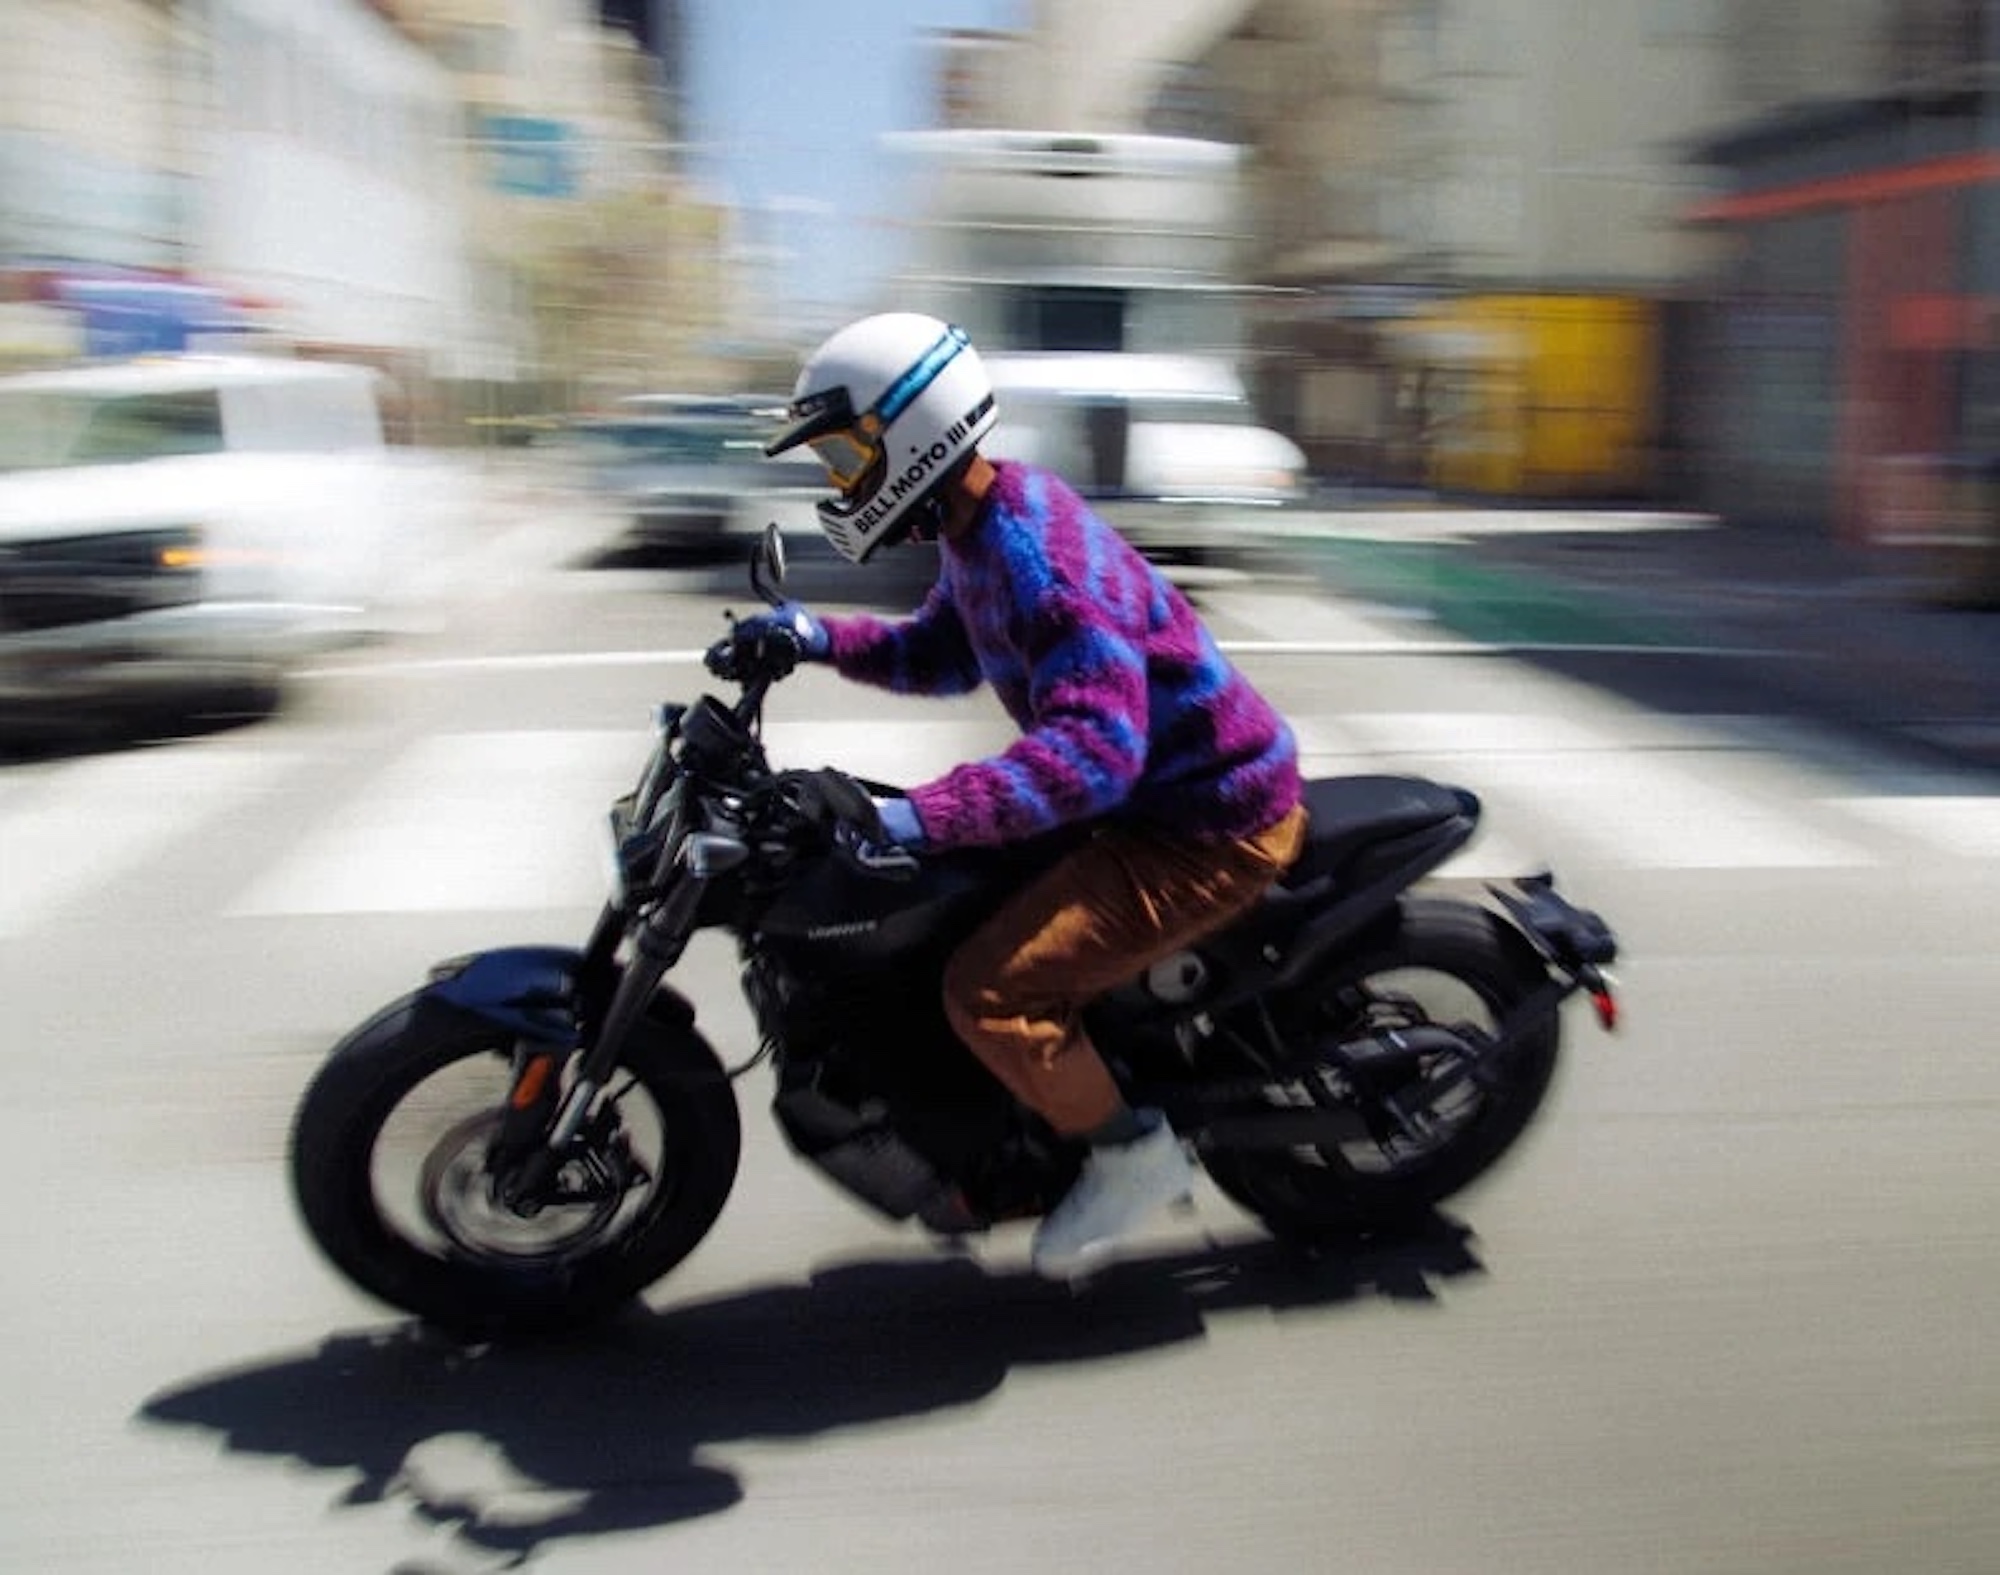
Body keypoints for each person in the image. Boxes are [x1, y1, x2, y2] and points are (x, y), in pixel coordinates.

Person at [746, 312, 1306, 1278]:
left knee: (992, 992)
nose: (841, 482)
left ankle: (1130, 1156)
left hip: (1204, 826)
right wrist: (811, 637)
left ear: (915, 428)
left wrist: (917, 816)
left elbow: (1093, 755)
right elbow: (939, 651)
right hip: (1144, 804)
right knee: (946, 905)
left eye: (848, 453)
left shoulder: (1035, 556)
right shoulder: (983, 524)